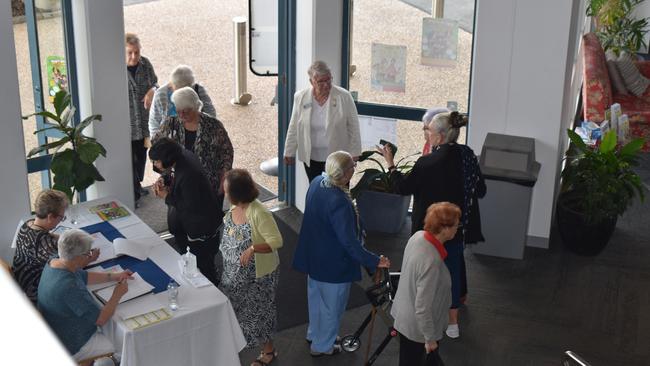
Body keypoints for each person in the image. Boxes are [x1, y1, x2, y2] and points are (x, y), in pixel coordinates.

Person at [378, 111, 486, 339]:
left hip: (428, 231)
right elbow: (481, 190)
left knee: (426, 274)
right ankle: (453, 323)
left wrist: (391, 164)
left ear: (439, 135)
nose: (426, 134)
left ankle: (422, 319)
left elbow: (403, 188)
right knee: (453, 271)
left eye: (428, 131)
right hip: (454, 227)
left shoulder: (427, 162)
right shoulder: (467, 155)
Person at [293, 151, 391, 357]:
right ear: (346, 174)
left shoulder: (317, 182)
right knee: (332, 307)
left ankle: (315, 333)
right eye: (352, 168)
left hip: (313, 257)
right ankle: (323, 346)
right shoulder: (339, 201)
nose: (354, 171)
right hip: (333, 264)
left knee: (316, 300)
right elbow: (349, 242)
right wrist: (375, 260)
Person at [37, 229, 133, 365]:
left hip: (56, 330)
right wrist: (117, 294)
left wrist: (114, 276)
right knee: (126, 343)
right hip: (73, 344)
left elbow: (83, 276)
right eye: (87, 253)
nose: (89, 256)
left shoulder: (56, 261)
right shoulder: (68, 286)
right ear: (77, 257)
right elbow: (101, 319)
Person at [219, 169, 283, 366]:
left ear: (237, 193)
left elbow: (277, 241)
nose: (224, 192)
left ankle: (268, 352)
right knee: (234, 312)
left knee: (259, 314)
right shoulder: (234, 208)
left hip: (258, 277)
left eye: (227, 189)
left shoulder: (259, 212)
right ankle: (233, 348)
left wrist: (253, 248)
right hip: (233, 274)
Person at [391, 202, 461, 366]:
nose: (457, 228)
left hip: (405, 318)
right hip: (418, 330)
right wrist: (429, 339)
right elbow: (423, 307)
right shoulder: (432, 261)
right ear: (444, 229)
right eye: (456, 225)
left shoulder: (418, 237)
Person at [150, 137, 221, 285]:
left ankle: (212, 294)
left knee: (203, 267)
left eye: (156, 161)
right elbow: (174, 175)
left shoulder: (189, 174)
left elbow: (189, 206)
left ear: (168, 158)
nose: (154, 165)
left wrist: (166, 196)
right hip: (190, 225)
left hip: (200, 228)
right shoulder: (183, 156)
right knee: (192, 262)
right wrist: (165, 179)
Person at [153, 86, 233, 212]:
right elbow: (157, 149)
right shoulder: (170, 123)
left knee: (209, 222)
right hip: (178, 183)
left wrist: (224, 180)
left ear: (196, 106)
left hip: (209, 184)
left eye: (186, 111)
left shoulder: (213, 125)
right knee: (179, 223)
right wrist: (163, 176)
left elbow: (227, 153)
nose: (181, 114)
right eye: (178, 110)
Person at [12, 190, 99, 304]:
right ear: (50, 217)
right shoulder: (45, 246)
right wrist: (90, 259)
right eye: (61, 218)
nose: (61, 221)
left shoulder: (29, 224)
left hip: (21, 282)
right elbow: (70, 269)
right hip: (35, 293)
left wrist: (78, 239)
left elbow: (50, 235)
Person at [283, 61, 362, 182]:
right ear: (311, 82)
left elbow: (354, 126)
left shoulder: (344, 96)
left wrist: (354, 152)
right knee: (316, 189)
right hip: (311, 157)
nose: (326, 85)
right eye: (321, 81)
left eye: (328, 80)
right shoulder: (301, 97)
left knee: (338, 191)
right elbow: (294, 125)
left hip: (338, 158)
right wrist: (289, 151)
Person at [125, 32, 158, 203]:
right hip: (127, 126)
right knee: (129, 162)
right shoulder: (116, 69)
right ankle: (133, 195)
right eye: (130, 52)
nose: (134, 56)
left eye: (136, 52)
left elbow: (155, 83)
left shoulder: (146, 64)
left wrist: (153, 90)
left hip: (144, 124)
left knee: (141, 158)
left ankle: (137, 185)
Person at [148, 64, 217, 137]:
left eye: (186, 90)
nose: (182, 95)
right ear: (171, 85)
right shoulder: (160, 94)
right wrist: (156, 142)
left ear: (191, 86)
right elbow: (154, 121)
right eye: (178, 90)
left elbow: (210, 113)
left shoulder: (199, 90)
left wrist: (207, 132)